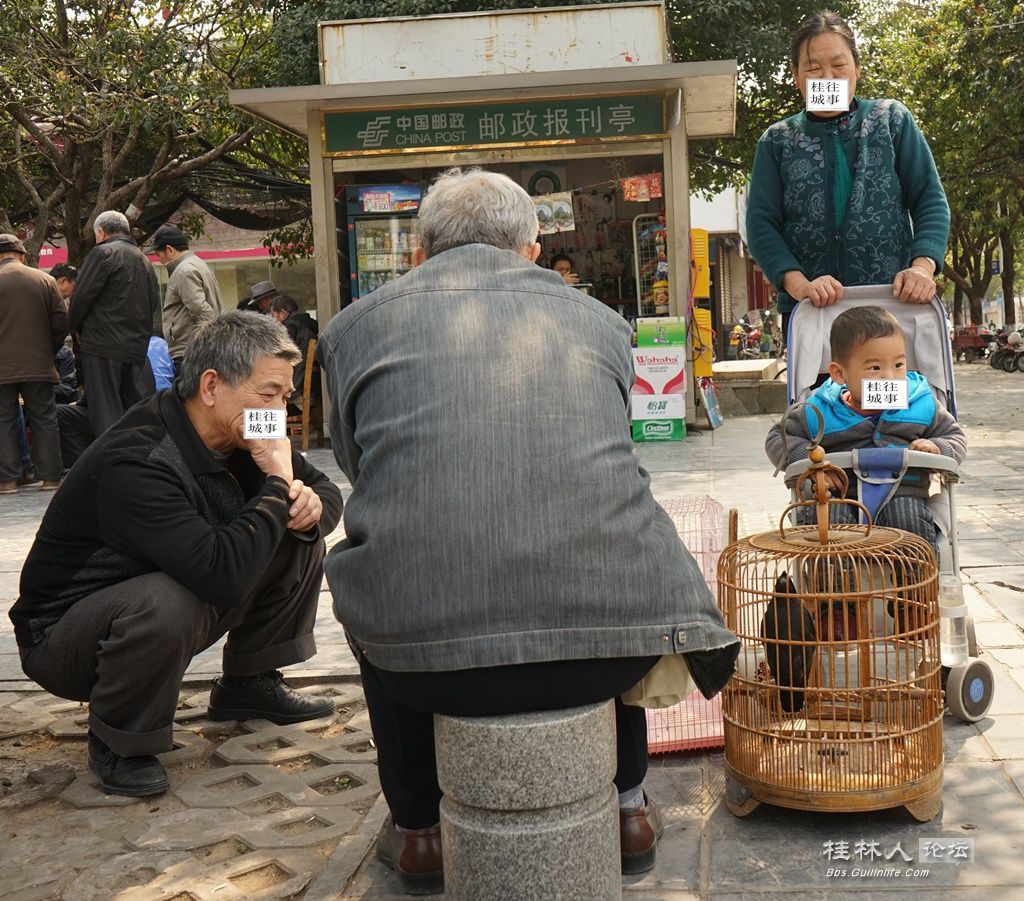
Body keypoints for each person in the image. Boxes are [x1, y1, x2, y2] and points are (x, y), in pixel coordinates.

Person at [318, 168, 739, 893]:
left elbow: (360, 465)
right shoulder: (601, 322)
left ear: (420, 253)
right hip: (601, 657)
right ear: (533, 250)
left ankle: (419, 831)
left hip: (422, 665)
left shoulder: (353, 329)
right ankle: (630, 809)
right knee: (609, 539)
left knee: (381, 568)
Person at [11, 311, 344, 797]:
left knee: (295, 530)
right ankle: (119, 740)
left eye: (286, 396)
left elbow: (326, 494)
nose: (280, 410)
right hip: (66, 639)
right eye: (269, 393)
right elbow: (219, 577)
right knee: (172, 597)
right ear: (211, 386)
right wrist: (277, 484)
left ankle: (247, 685)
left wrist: (310, 507)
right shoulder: (139, 459)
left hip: (173, 594)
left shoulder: (247, 426)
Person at [745, 11, 950, 346]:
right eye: (813, 68)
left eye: (839, 65)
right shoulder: (776, 140)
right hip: (813, 315)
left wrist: (922, 268)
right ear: (796, 76)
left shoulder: (892, 121)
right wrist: (801, 285)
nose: (828, 77)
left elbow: (929, 199)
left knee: (886, 396)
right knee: (824, 399)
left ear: (857, 68)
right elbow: (761, 224)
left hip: (891, 311)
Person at [765, 305, 966, 554]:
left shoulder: (921, 404)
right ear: (840, 373)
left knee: (907, 518)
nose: (890, 378)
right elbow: (778, 438)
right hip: (839, 496)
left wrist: (937, 447)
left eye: (899, 365)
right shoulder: (820, 410)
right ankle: (838, 590)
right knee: (829, 519)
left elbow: (955, 436)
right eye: (875, 368)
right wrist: (811, 462)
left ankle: (911, 591)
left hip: (903, 495)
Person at [69, 210, 158, 437]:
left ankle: (111, 467)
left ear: (100, 233)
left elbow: (80, 299)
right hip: (136, 347)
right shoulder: (144, 260)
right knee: (134, 411)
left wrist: (77, 331)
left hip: (102, 344)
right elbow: (153, 303)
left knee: (106, 412)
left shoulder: (103, 252)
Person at [0, 234, 69, 494]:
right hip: (39, 364)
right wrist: (47, 350)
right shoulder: (44, 279)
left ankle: (6, 481)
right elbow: (61, 322)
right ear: (22, 255)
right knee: (44, 419)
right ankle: (50, 478)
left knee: (2, 420)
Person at [147, 224, 223, 375]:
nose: (160, 259)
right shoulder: (196, 264)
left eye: (159, 254)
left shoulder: (184, 271)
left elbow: (200, 309)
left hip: (190, 349)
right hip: (198, 348)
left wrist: (210, 340)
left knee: (188, 397)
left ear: (170, 250)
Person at [271, 295, 318, 395]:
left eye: (274, 316)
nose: (273, 321)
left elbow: (279, 358)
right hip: (314, 385)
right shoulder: (311, 325)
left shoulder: (290, 327)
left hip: (295, 386)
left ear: (283, 314)